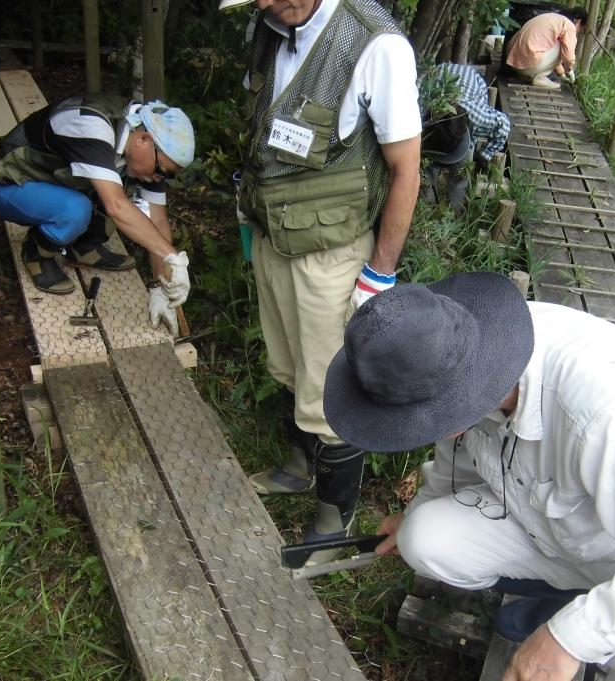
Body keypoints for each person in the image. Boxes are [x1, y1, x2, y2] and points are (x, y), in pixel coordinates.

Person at [323, 272, 615, 681]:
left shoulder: (609, 415)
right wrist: (414, 511)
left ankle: (584, 618)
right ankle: (570, 600)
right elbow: (454, 456)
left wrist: (566, 639)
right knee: (424, 537)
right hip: (562, 527)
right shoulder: (464, 361)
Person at [219, 0, 421, 563]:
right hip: (273, 233)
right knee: (287, 362)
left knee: (330, 383)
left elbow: (406, 169)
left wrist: (379, 273)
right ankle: (299, 465)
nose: (265, 7)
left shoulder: (375, 45)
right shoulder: (270, 25)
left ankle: (336, 518)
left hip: (331, 251)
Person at [0, 96, 195, 335]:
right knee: (80, 209)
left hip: (53, 182)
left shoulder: (145, 158)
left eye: (167, 176)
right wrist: (174, 257)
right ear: (144, 140)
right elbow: (117, 207)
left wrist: (161, 285)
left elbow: (157, 219)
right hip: (4, 183)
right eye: (162, 171)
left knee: (124, 201)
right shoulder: (91, 125)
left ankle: (80, 248)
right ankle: (37, 252)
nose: (160, 178)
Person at [421, 62, 511, 209]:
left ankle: (457, 209)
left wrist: (483, 155)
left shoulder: (479, 117)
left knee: (461, 171)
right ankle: (427, 205)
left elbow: (504, 125)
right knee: (427, 168)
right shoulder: (421, 113)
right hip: (438, 80)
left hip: (472, 81)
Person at [505, 8, 587, 90]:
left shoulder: (553, 18)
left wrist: (561, 74)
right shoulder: (569, 26)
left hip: (513, 61)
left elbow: (551, 55)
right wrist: (571, 72)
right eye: (580, 29)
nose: (578, 32)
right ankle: (540, 78)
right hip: (528, 64)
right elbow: (568, 57)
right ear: (578, 22)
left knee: (558, 43)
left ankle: (526, 74)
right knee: (564, 46)